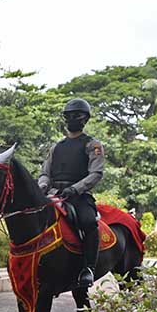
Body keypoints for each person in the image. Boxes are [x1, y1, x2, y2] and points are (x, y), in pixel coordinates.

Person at [37, 98, 105, 288]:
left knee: (88, 222)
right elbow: (45, 172)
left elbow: (96, 173)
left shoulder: (93, 145)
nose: (73, 119)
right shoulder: (56, 147)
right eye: (69, 116)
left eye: (78, 116)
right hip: (53, 194)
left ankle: (88, 269)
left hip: (78, 196)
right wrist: (42, 186)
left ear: (85, 119)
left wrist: (76, 188)